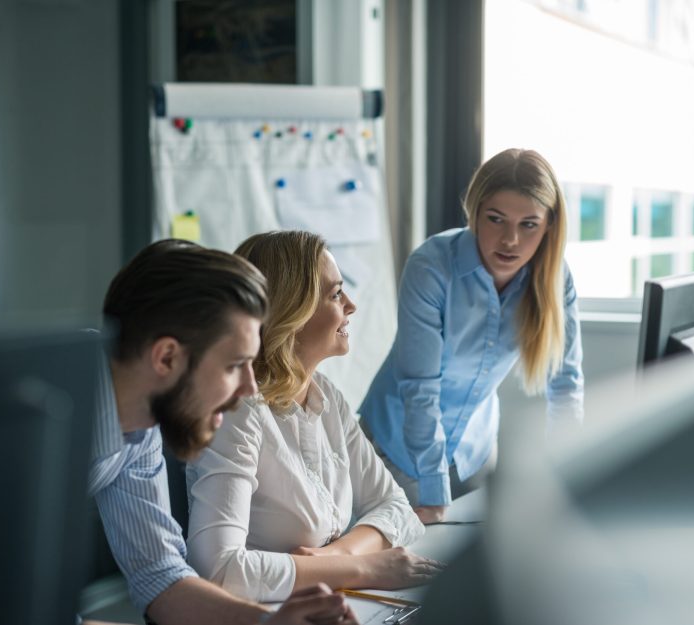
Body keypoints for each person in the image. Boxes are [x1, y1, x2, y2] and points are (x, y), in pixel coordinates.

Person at [90, 239, 359, 625]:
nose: (250, 388)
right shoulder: (34, 413)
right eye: (235, 365)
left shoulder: (140, 427)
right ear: (166, 357)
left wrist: (269, 623)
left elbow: (160, 577)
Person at [185, 231, 440, 602]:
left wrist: (335, 556)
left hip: (320, 601)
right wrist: (364, 567)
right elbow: (220, 571)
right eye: (336, 294)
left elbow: (396, 508)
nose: (350, 305)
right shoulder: (238, 409)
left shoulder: (326, 397)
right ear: (293, 311)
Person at [359, 148, 584, 524]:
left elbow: (565, 385)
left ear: (549, 225)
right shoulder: (432, 266)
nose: (510, 240)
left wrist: (572, 478)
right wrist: (432, 491)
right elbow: (420, 387)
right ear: (475, 212)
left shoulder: (555, 278)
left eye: (528, 224)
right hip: (395, 453)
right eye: (496, 219)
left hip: (473, 453)